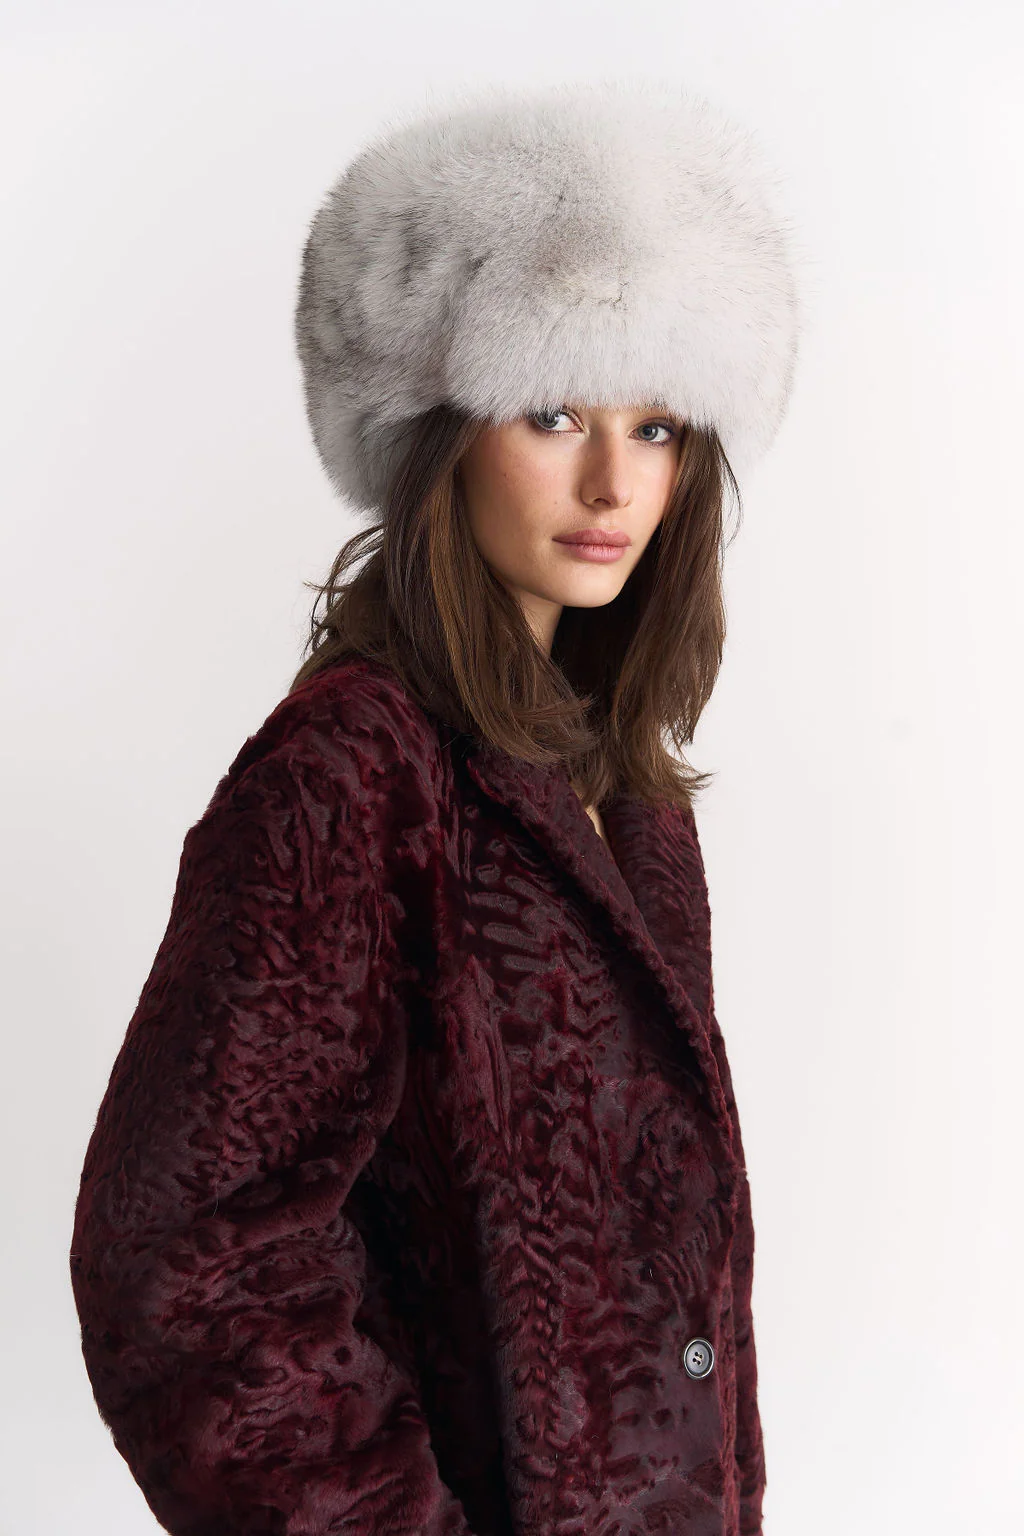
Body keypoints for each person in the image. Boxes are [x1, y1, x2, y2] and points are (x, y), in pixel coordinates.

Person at [69, 77, 802, 1536]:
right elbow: (186, 1266)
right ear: (439, 432)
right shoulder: (348, 776)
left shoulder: (623, 789)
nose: (614, 481)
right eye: (553, 411)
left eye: (659, 425)